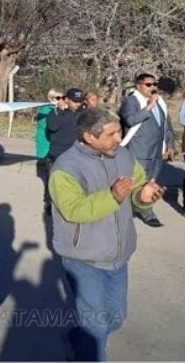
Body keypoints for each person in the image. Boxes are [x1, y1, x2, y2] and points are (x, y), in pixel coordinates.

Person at [49, 107, 165, 361]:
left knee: (115, 317)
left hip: (119, 255)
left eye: (119, 132)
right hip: (84, 259)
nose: (118, 138)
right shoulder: (65, 168)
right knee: (96, 327)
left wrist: (144, 197)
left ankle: (77, 338)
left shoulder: (123, 156)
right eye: (111, 134)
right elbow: (73, 210)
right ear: (89, 137)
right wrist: (112, 196)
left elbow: (136, 193)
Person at [119, 73, 174, 228]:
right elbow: (130, 120)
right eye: (148, 85)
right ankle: (128, 214)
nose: (153, 87)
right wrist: (149, 106)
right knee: (133, 184)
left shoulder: (160, 102)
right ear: (138, 85)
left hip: (156, 151)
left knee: (150, 183)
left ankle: (146, 211)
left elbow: (166, 125)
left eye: (155, 84)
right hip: (138, 150)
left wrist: (170, 145)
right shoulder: (131, 101)